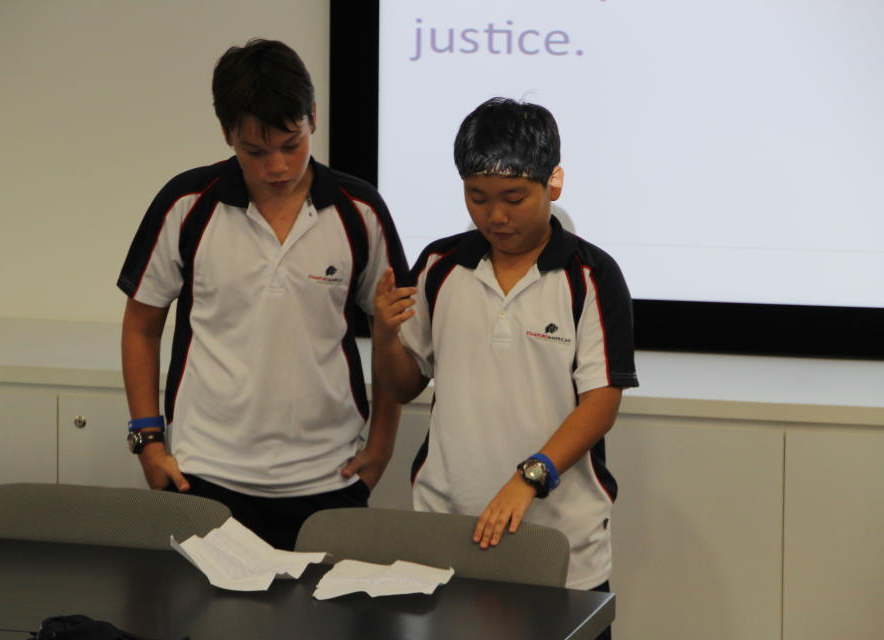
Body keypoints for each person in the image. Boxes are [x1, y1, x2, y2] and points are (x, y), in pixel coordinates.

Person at [117, 39, 409, 550]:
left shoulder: (360, 211)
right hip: (203, 474)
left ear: (313, 117)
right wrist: (147, 439)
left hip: (329, 478)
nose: (277, 165)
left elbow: (394, 333)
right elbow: (141, 324)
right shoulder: (187, 204)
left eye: (291, 143)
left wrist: (382, 444)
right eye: (255, 151)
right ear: (227, 134)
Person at [372, 97, 638, 637]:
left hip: (562, 541)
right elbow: (404, 385)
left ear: (553, 183)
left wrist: (530, 477)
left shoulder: (591, 276)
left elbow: (602, 402)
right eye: (478, 198)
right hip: (447, 530)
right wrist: (383, 332)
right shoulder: (439, 267)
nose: (495, 216)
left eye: (514, 198)